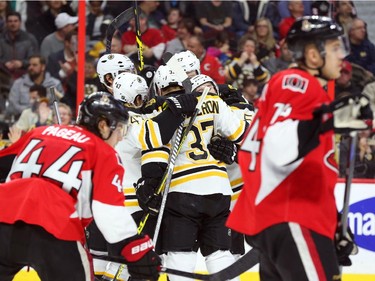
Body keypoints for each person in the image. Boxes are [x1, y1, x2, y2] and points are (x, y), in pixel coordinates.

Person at [227, 16, 369, 281]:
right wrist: (328, 120)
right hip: (292, 215)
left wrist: (332, 220)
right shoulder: (297, 82)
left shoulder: (298, 88)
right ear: (314, 55)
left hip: (285, 215)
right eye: (336, 47)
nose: (342, 55)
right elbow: (279, 147)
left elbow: (302, 161)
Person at [0, 92, 161, 281]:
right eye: (119, 130)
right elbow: (108, 211)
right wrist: (136, 247)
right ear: (103, 125)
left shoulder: (39, 132)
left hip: (4, 216)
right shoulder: (103, 152)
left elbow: (4, 163)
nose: (119, 138)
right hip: (56, 226)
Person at [5, 55, 64, 119]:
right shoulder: (19, 83)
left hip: (48, 122)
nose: (30, 67)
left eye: (34, 65)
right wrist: (31, 111)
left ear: (43, 67)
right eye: (29, 65)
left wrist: (43, 111)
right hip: (22, 121)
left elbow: (60, 106)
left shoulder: (55, 84)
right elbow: (12, 107)